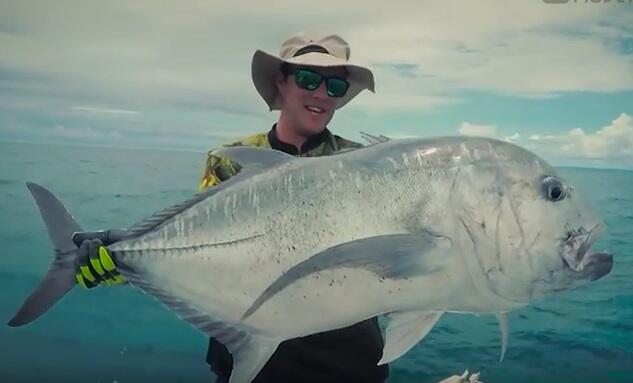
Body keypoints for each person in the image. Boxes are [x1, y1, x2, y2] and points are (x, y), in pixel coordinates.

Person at [74, 33, 388, 383]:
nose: (321, 94)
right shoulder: (229, 160)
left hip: (348, 363)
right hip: (251, 359)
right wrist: (128, 261)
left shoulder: (367, 164)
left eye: (334, 86)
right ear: (280, 81)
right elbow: (200, 249)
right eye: (308, 79)